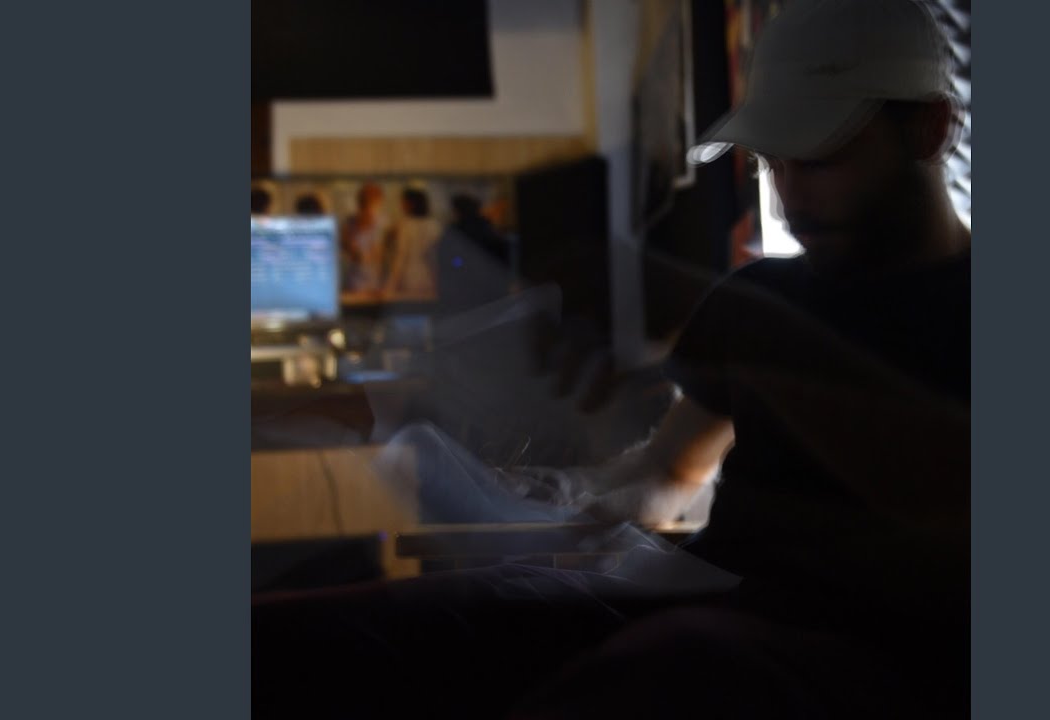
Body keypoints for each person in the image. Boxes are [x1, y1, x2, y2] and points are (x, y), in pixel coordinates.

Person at [253, 1, 969, 717]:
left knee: (680, 661)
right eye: (772, 164)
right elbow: (671, 471)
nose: (789, 202)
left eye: (815, 158)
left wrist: (768, 340)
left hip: (872, 661)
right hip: (703, 604)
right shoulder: (759, 295)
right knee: (338, 634)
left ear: (931, 128)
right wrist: (565, 503)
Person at [435, 193, 513, 315]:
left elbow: (449, 260)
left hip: (461, 294)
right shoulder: (488, 229)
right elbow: (503, 259)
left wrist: (459, 264)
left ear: (457, 211)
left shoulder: (455, 232)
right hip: (490, 293)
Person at [384, 187, 443, 299]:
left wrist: (389, 287)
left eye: (404, 203)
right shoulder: (434, 225)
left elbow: (400, 257)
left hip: (409, 279)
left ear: (411, 204)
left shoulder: (405, 225)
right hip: (429, 280)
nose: (402, 207)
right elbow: (436, 258)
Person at [341, 183, 392, 294]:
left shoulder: (384, 223)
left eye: (374, 201)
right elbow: (350, 251)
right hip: (355, 283)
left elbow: (386, 252)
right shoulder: (350, 223)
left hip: (377, 283)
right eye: (366, 200)